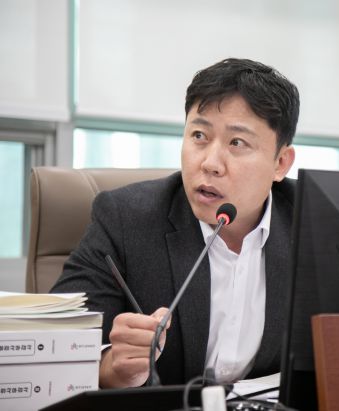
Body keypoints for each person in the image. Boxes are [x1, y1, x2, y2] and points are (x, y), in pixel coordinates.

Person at [50, 58, 299, 388]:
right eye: (199, 135)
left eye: (237, 143)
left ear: (280, 163)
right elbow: (57, 349)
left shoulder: (314, 225)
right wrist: (113, 368)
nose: (210, 163)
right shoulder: (124, 218)